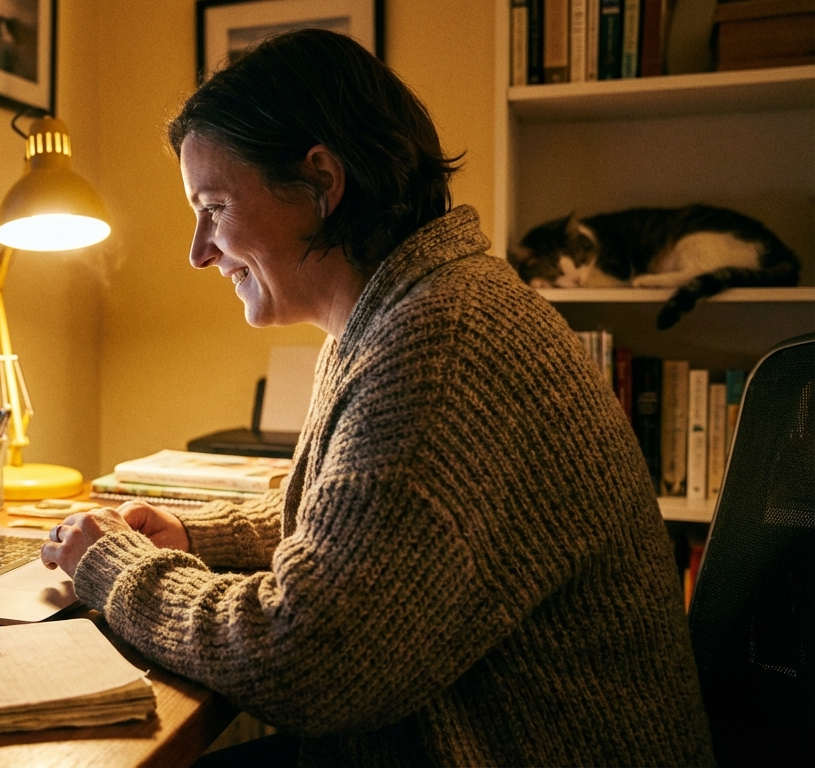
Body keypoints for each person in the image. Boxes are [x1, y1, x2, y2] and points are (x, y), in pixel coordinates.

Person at [39, 29, 714, 767]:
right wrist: (199, 538)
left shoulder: (443, 345)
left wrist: (121, 569)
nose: (199, 251)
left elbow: (310, 660)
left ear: (323, 183)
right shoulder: (408, 305)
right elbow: (369, 525)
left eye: (215, 207)